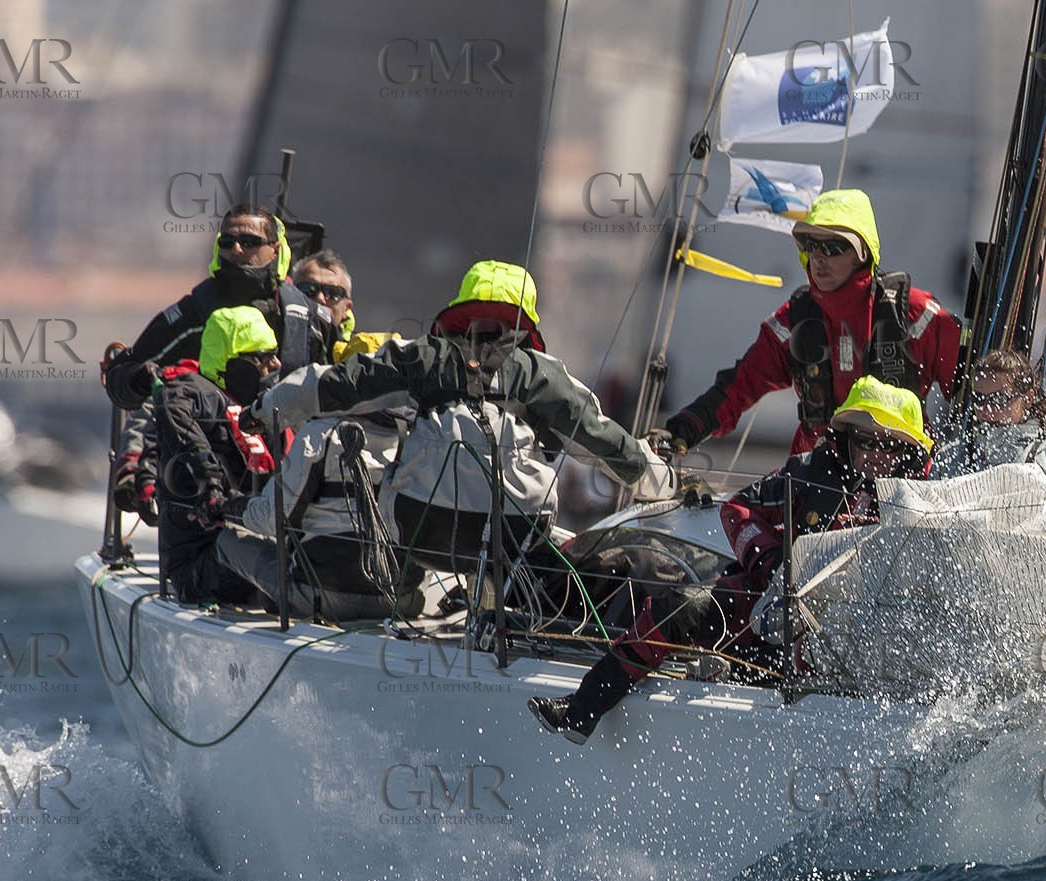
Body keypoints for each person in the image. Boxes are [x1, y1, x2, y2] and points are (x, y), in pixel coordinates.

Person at [530, 376, 934, 745]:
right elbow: (739, 509)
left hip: (861, 632)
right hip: (771, 608)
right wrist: (772, 564)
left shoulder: (927, 504)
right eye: (865, 440)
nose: (875, 454)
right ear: (846, 437)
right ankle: (583, 709)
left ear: (909, 451)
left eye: (889, 445)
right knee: (677, 608)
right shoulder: (809, 473)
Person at [249, 260, 677, 576]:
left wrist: (263, 408)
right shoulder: (542, 375)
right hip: (515, 540)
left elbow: (331, 385)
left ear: (459, 307)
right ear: (526, 317)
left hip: (417, 531)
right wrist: (664, 482)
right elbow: (606, 441)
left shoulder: (420, 357)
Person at [657, 189, 964, 456]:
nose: (819, 258)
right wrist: (683, 431)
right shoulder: (795, 320)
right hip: (816, 483)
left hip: (902, 483)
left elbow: (974, 394)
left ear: (863, 253)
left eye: (832, 247)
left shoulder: (916, 314)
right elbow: (740, 384)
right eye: (811, 246)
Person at [109, 206, 341, 524]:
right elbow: (122, 379)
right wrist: (140, 380)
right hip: (206, 482)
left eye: (249, 241)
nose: (236, 249)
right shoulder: (193, 313)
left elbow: (335, 395)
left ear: (274, 249)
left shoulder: (311, 320)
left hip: (293, 479)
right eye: (227, 241)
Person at [210, 409, 424, 620]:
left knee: (227, 541)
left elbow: (272, 518)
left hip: (322, 598)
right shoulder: (413, 437)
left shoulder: (321, 433)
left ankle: (241, 602)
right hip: (401, 601)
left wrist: (228, 507)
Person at [153, 306, 285, 603]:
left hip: (255, 542)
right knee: (265, 559)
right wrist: (210, 481)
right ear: (233, 362)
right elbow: (175, 414)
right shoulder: (191, 392)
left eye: (275, 354)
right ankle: (297, 596)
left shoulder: (261, 407)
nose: (275, 364)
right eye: (263, 357)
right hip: (200, 566)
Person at [931, 347, 1046, 504]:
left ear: (1028, 398)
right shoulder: (949, 460)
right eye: (979, 399)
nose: (986, 410)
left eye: (998, 399)